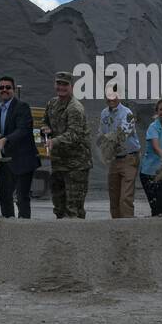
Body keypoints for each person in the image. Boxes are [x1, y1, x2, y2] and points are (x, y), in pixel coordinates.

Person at [42, 70, 92, 218]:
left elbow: (74, 135)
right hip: (58, 163)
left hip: (76, 165)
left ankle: (77, 239)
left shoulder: (75, 108)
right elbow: (45, 121)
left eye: (65, 84)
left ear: (71, 86)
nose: (61, 87)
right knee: (59, 208)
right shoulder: (52, 103)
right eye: (59, 83)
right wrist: (45, 129)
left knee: (73, 209)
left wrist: (54, 141)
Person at [0, 75, 38, 218]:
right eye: (1, 88)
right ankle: (8, 226)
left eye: (8, 87)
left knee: (22, 198)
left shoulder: (22, 107)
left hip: (22, 159)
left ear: (14, 90)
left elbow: (23, 130)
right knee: (4, 197)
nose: (4, 90)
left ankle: (23, 229)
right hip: (5, 161)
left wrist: (5, 139)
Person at [98, 86, 140, 218]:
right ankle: (116, 229)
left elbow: (121, 135)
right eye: (108, 95)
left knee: (125, 198)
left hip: (129, 158)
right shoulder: (104, 113)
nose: (111, 98)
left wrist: (106, 142)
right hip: (114, 159)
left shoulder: (127, 114)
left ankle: (128, 229)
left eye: (114, 95)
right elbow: (101, 133)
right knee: (114, 197)